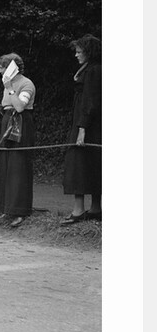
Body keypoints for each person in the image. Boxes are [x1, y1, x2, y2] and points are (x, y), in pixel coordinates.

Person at [0, 53, 36, 228]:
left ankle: (19, 211)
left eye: (2, 68)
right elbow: (11, 106)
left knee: (18, 166)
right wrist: (1, 108)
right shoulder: (7, 85)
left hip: (22, 125)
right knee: (5, 165)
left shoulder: (26, 84)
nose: (0, 71)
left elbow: (20, 107)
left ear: (12, 68)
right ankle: (5, 208)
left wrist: (9, 88)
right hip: (8, 122)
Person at [61, 34, 102, 224]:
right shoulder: (90, 68)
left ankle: (79, 210)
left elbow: (90, 101)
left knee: (78, 163)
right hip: (85, 121)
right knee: (90, 162)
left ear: (89, 52)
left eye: (79, 52)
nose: (76, 55)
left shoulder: (94, 70)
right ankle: (95, 208)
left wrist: (82, 129)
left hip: (87, 124)